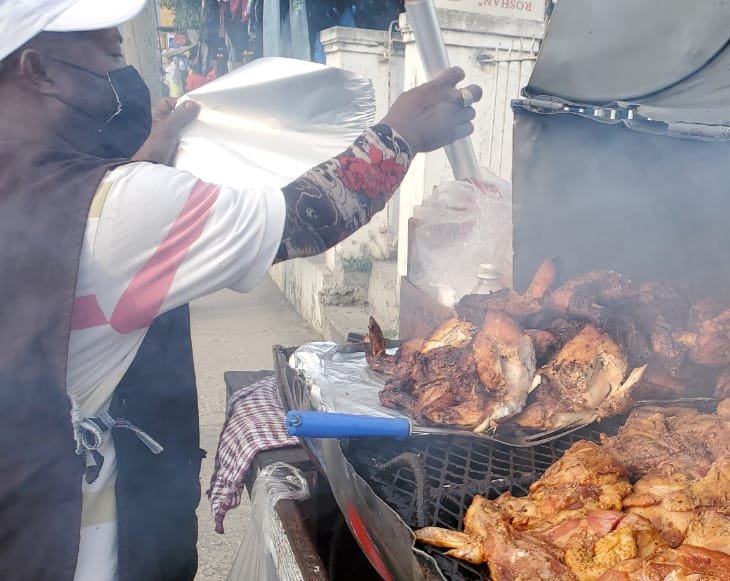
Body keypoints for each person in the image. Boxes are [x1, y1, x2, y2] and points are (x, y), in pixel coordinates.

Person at [0, 1, 483, 580]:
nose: (122, 64)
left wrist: (150, 153)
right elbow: (309, 216)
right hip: (71, 545)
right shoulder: (122, 208)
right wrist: (402, 132)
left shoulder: (37, 186)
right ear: (38, 70)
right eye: (108, 49)